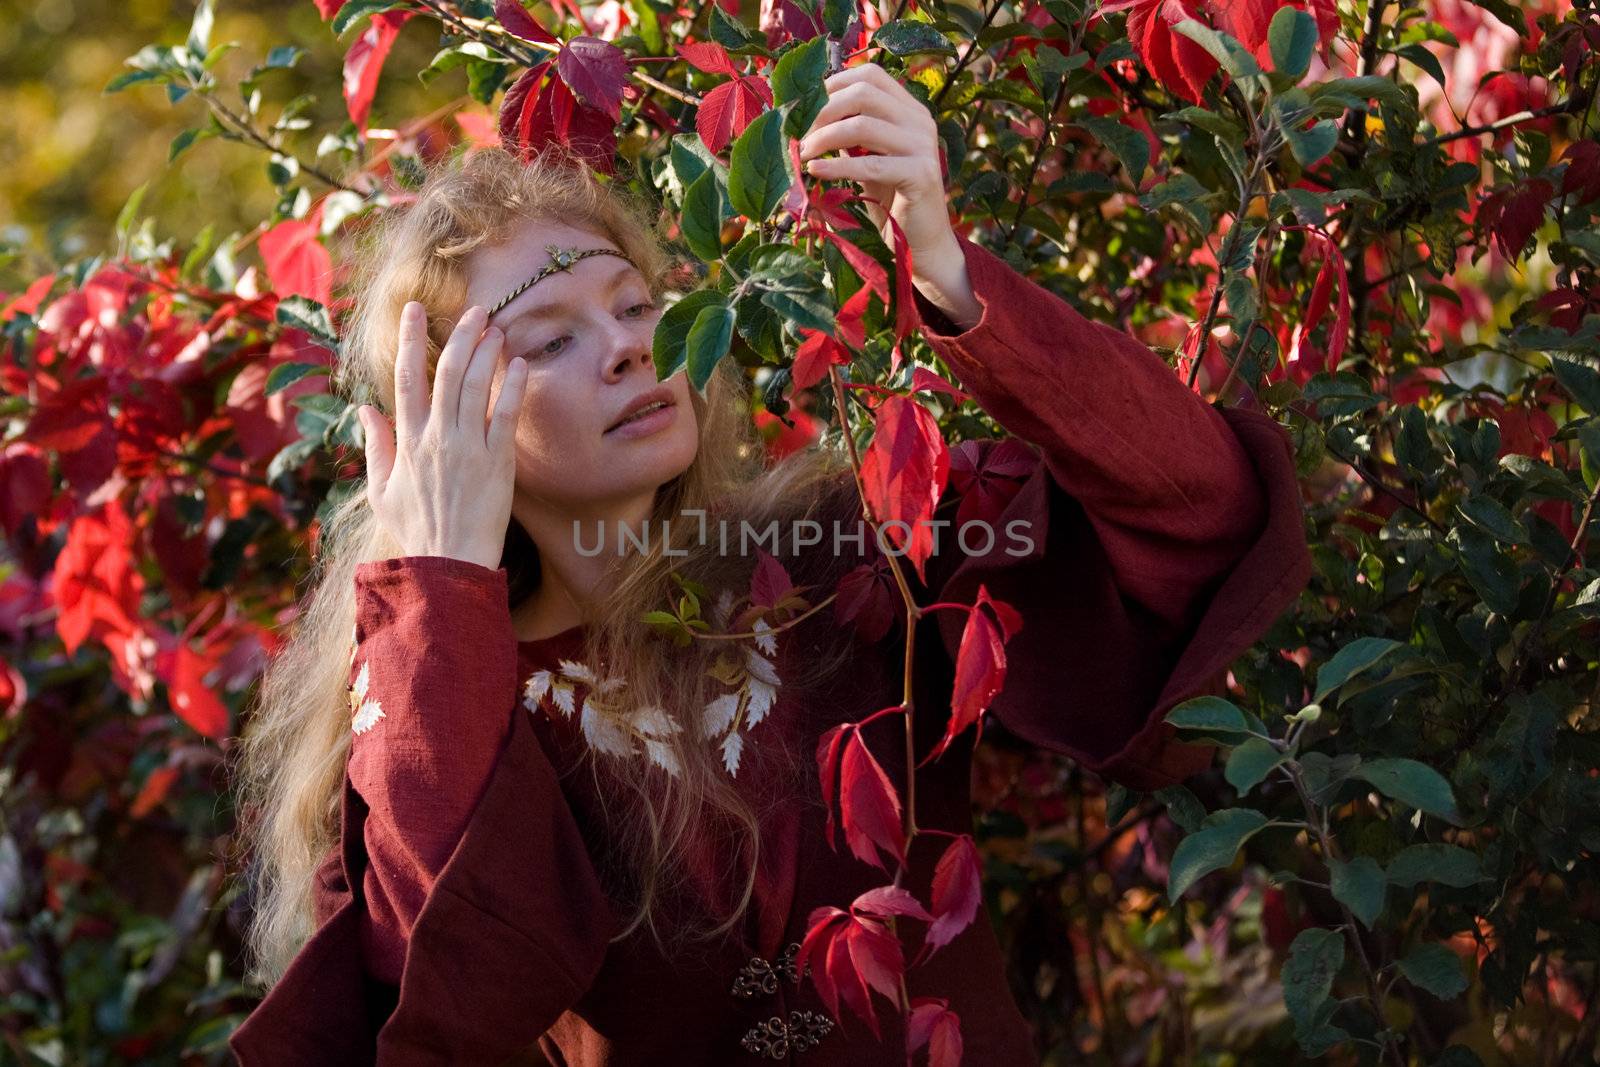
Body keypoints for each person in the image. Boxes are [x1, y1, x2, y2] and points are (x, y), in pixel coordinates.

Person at [228, 63, 1311, 1066]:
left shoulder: (842, 549)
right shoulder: (439, 694)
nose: (626, 346)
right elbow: (430, 1003)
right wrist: (438, 587)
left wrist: (948, 272)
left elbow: (1201, 510)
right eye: (548, 339)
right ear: (433, 421)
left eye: (638, 306)